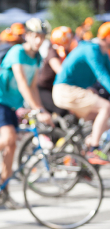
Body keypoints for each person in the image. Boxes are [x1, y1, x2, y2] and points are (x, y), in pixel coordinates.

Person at [0, 18, 53, 208]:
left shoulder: (37, 57)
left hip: (11, 103)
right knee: (9, 138)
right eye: (35, 36)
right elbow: (22, 82)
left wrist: (41, 109)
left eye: (42, 37)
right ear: (28, 36)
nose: (39, 40)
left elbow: (32, 87)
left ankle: (2, 189)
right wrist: (39, 110)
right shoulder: (18, 51)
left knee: (12, 146)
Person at [52, 22, 110, 165]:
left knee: (105, 121)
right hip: (64, 90)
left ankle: (86, 151)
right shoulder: (92, 49)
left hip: (70, 91)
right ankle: (93, 149)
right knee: (106, 108)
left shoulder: (102, 53)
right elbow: (102, 75)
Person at [37, 26, 72, 117]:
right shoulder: (53, 51)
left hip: (55, 88)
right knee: (62, 110)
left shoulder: (65, 51)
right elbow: (60, 70)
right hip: (44, 89)